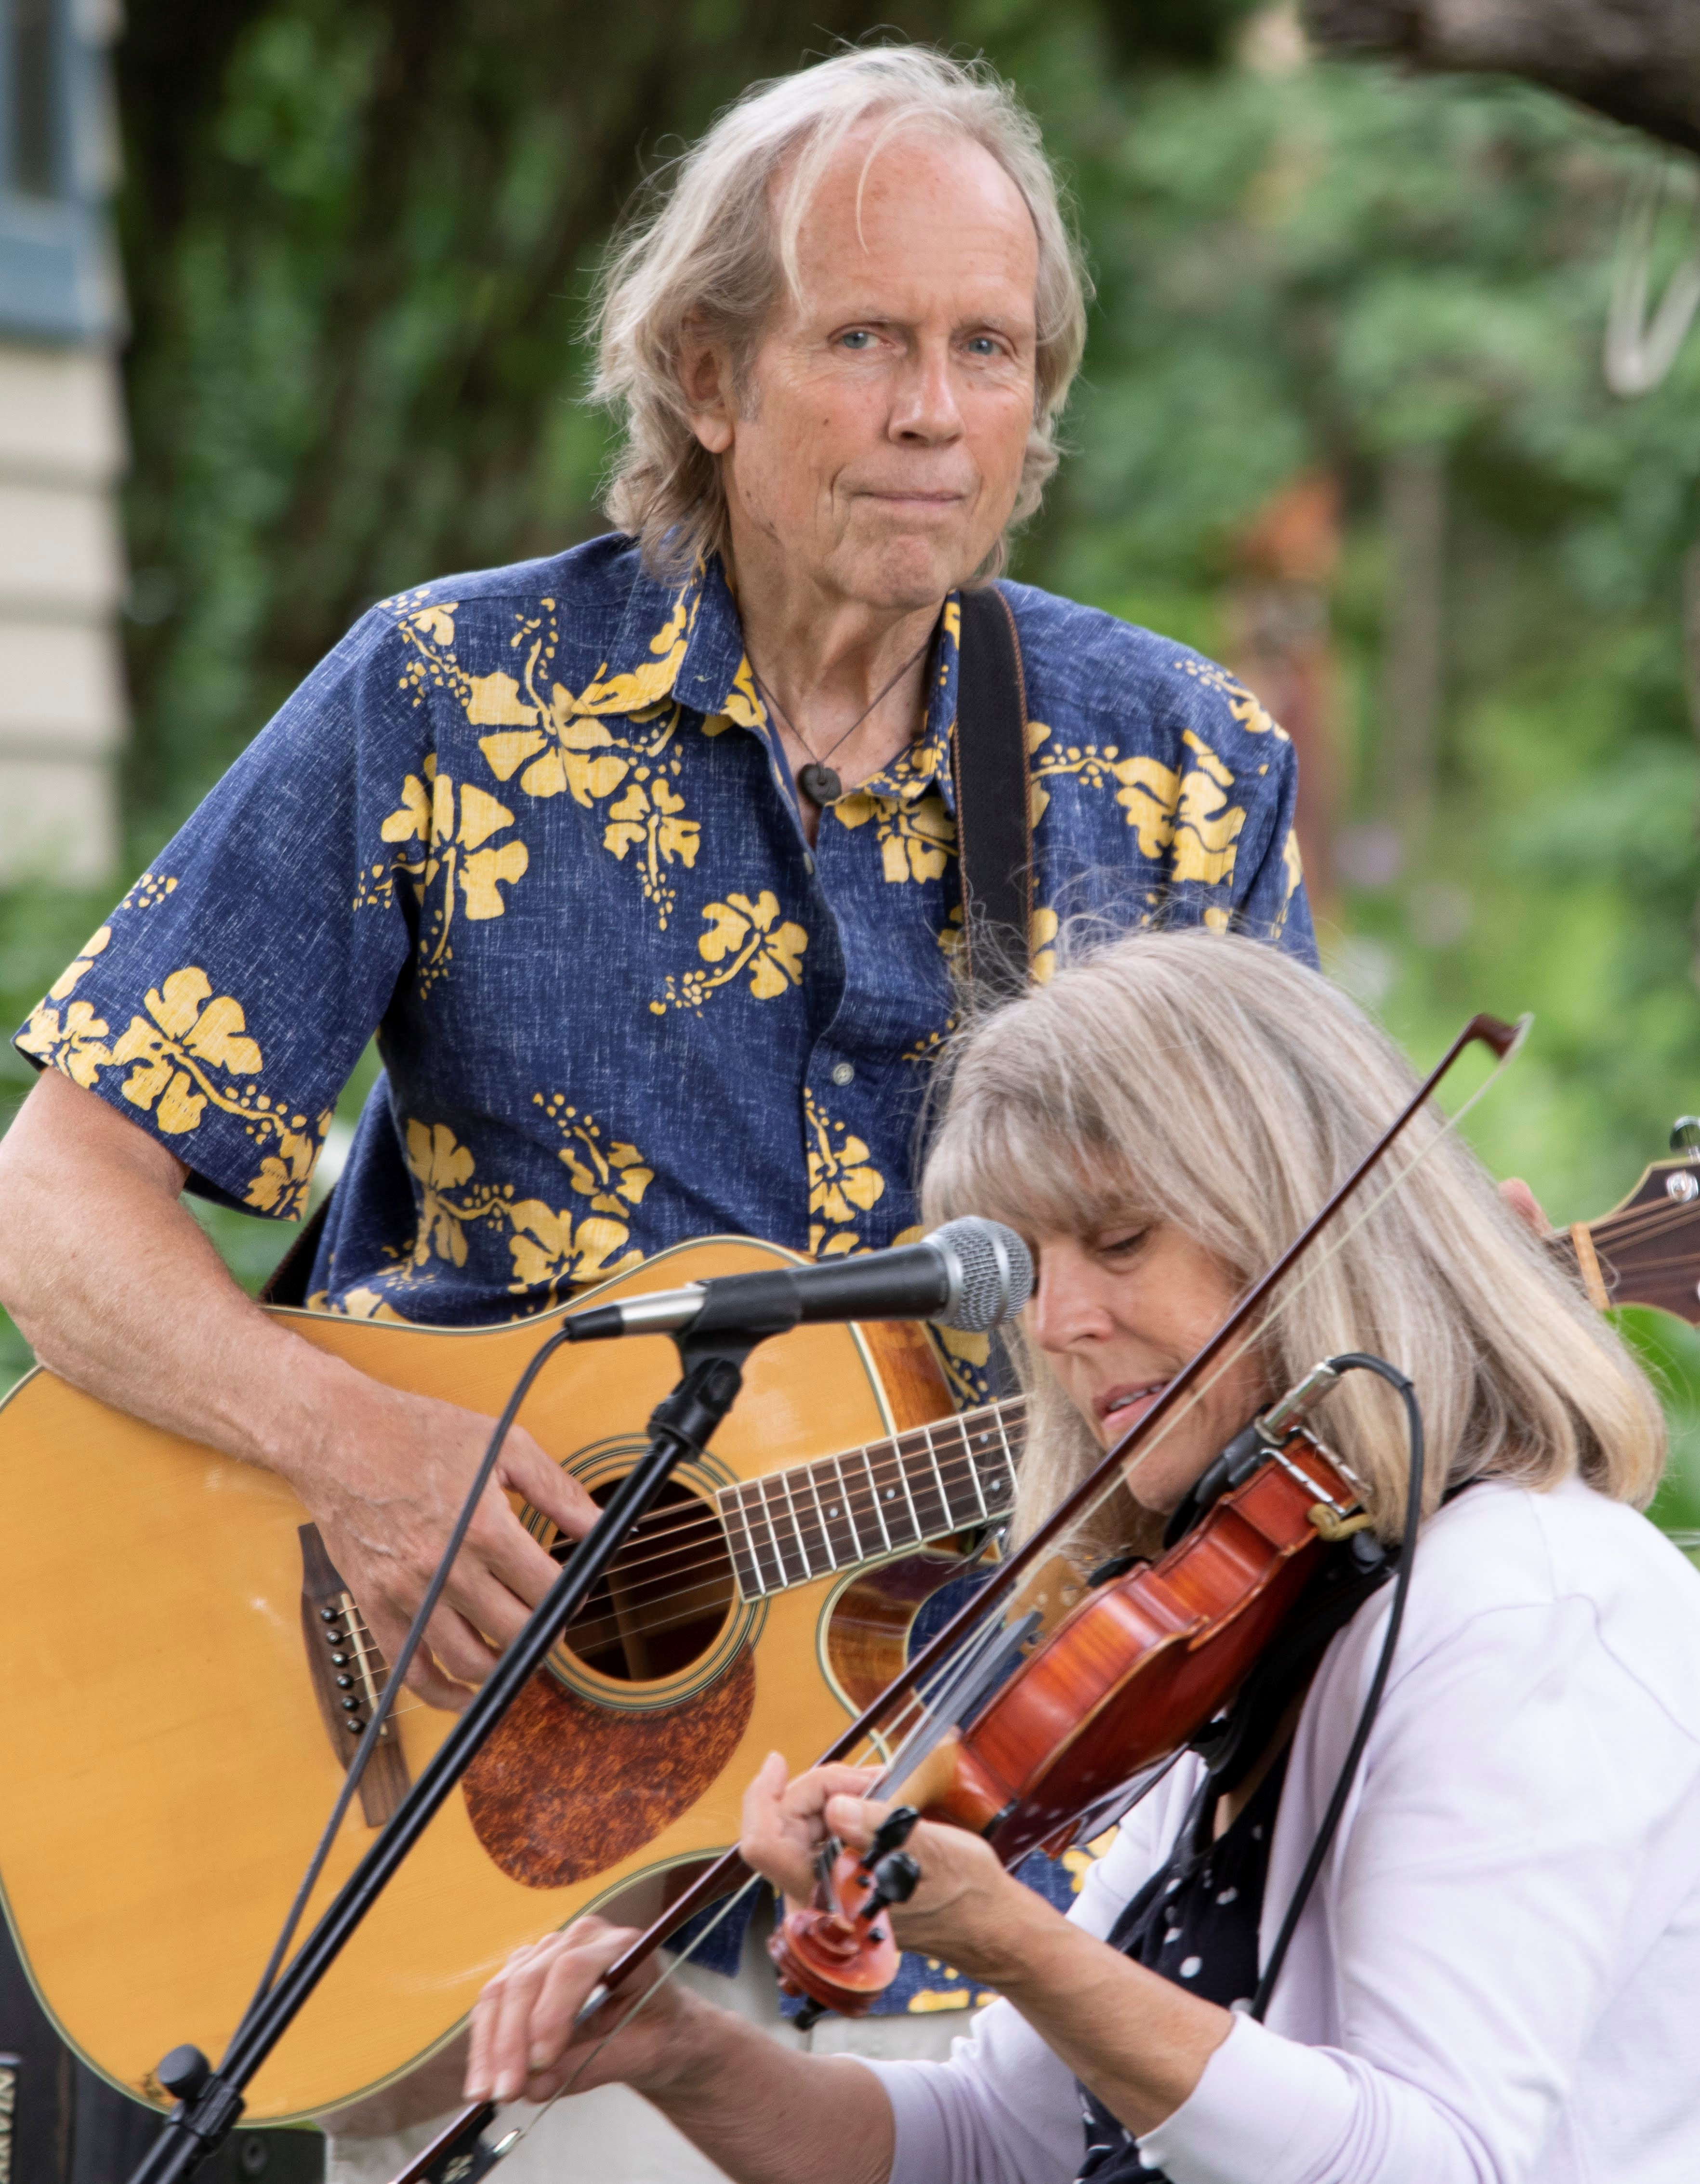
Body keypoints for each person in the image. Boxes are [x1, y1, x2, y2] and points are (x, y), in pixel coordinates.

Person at [0, 40, 1314, 2179]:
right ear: (705, 375)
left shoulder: (1174, 766)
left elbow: (1297, 1287)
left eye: (989, 351)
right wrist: (367, 1454)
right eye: (864, 339)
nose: (932, 410)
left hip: (998, 1842)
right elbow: (57, 1200)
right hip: (468, 1849)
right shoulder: (447, 702)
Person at [462, 927, 1700, 2184]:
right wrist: (681, 2053)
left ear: (1312, 1235)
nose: (1057, 1323)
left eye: (1117, 1243)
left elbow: (1440, 2162)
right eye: (1032, 1267)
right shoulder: (1261, 1615)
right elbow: (996, 2148)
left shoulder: (1527, 1605)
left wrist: (1021, 1948)